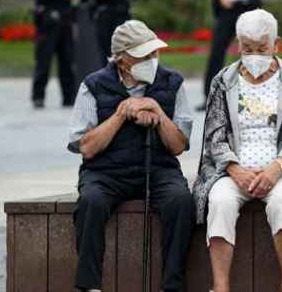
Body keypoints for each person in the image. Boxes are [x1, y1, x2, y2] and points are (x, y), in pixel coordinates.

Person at [192, 9, 282, 292]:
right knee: (220, 201)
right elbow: (214, 135)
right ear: (238, 45)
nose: (254, 55)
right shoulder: (224, 81)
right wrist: (235, 170)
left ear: (276, 45)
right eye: (247, 48)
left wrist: (276, 168)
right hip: (233, 170)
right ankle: (220, 287)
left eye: (261, 48)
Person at [68, 20, 194, 292]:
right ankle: (89, 286)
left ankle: (172, 285)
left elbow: (178, 146)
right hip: (106, 172)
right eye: (145, 55)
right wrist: (121, 114)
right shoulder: (93, 85)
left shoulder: (173, 83)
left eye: (154, 53)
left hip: (160, 169)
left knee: (181, 201)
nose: (153, 59)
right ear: (123, 61)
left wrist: (158, 113)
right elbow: (85, 147)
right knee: (91, 202)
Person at [197, 0, 264, 111]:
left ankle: (253, 96)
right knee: (217, 50)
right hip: (228, 8)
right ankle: (210, 96)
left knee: (253, 51)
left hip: (249, 7)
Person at [30, 0, 80, 108]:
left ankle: (69, 98)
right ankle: (38, 97)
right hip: (47, 21)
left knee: (67, 61)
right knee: (43, 61)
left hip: (66, 20)